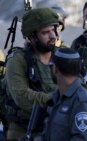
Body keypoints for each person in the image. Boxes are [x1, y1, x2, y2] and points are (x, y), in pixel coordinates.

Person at [5, 8, 59, 140]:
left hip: (56, 129)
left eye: (53, 30)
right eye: (46, 32)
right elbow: (22, 96)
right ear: (32, 37)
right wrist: (57, 100)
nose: (53, 36)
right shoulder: (17, 60)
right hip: (25, 132)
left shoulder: (61, 56)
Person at [39, 48, 87, 141]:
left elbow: (83, 138)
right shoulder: (58, 97)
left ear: (55, 69)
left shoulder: (82, 101)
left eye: (51, 65)